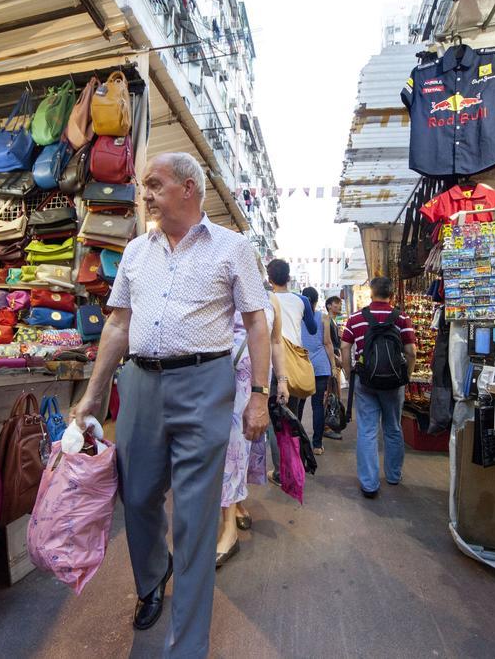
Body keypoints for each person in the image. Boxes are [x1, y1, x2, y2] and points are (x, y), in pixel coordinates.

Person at [70, 152, 272, 658]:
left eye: (155, 184)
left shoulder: (232, 247)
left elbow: (256, 324)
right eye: (144, 186)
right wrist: (93, 395)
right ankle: (153, 577)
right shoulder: (137, 250)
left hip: (205, 384)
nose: (146, 193)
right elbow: (117, 324)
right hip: (139, 384)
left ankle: (187, 647)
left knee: (195, 518)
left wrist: (260, 396)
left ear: (188, 187)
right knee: (136, 497)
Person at [217, 292, 289, 566]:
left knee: (248, 443)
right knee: (232, 448)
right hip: (227, 379)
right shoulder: (226, 290)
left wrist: (281, 379)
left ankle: (236, 503)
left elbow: (275, 341)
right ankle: (229, 527)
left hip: (258, 383)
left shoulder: (271, 299)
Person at [340, 277, 416, 499]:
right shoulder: (402, 318)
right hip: (394, 382)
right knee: (392, 427)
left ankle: (369, 484)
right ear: (392, 294)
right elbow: (410, 351)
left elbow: (345, 347)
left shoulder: (355, 318)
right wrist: (407, 376)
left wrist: (348, 372)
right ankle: (393, 475)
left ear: (371, 293)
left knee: (367, 430)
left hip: (366, 382)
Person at [265, 259, 317, 485]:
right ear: (288, 278)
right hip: (294, 363)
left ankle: (281, 472)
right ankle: (295, 468)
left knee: (275, 419)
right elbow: (313, 328)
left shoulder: (266, 299)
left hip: (271, 363)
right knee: (292, 417)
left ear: (269, 279)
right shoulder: (302, 300)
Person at [299, 287, 336, 455]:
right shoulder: (323, 318)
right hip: (320, 366)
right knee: (317, 406)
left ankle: (297, 443)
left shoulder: (296, 317)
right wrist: (334, 366)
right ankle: (317, 445)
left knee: (297, 405)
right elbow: (328, 343)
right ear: (315, 301)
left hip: (299, 366)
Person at [323, 295, 345, 440]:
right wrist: (333, 361)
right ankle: (327, 425)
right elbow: (327, 342)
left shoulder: (333, 321)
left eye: (339, 303)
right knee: (330, 394)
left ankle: (331, 423)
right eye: (336, 303)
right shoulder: (326, 320)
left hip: (334, 361)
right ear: (329, 305)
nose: (339, 305)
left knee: (334, 394)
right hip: (331, 361)